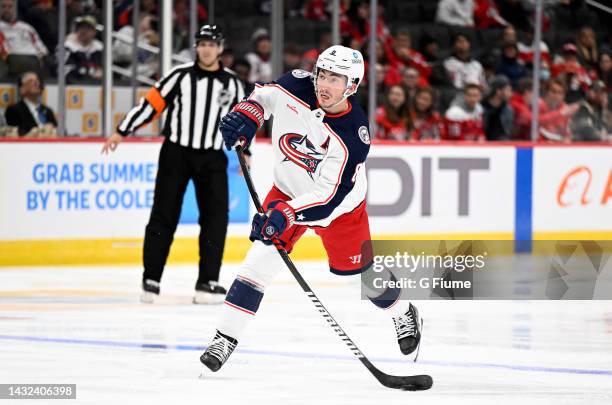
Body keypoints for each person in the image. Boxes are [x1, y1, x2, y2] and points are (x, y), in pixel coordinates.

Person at [199, 45, 423, 373]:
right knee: (259, 262)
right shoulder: (296, 85)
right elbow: (261, 96)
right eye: (323, 74)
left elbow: (327, 198)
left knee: (362, 278)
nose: (324, 84)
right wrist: (248, 116)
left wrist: (284, 214)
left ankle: (403, 312)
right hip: (288, 189)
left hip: (340, 209)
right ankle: (224, 338)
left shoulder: (353, 135)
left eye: (336, 78)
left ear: (352, 85)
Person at [101, 25, 245, 304]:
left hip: (213, 157)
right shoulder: (178, 76)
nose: (207, 49)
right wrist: (122, 130)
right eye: (202, 43)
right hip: (176, 153)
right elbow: (150, 105)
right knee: (163, 214)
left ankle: (207, 283)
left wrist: (245, 151)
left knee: (216, 220)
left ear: (220, 48)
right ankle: (151, 280)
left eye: (212, 44)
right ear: (196, 47)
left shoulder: (233, 83)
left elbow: (241, 121)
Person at [0, 0, 48, 77]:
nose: (7, 10)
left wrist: (41, 56)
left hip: (32, 61)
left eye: (10, 7)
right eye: (3, 7)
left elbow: (42, 49)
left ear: (14, 9)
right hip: (11, 61)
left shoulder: (26, 27)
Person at [4, 71, 56, 137]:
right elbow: (16, 134)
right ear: (22, 89)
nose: (36, 83)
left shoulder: (48, 111)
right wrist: (38, 132)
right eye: (30, 81)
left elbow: (58, 131)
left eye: (37, 80)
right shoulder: (13, 110)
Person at [64, 15, 104, 83]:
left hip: (96, 85)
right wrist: (89, 72)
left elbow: (102, 68)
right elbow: (66, 70)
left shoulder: (99, 47)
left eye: (88, 28)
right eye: (81, 27)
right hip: (73, 84)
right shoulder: (68, 46)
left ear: (95, 32)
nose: (84, 31)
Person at [481, 75, 514, 141]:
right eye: (507, 90)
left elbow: (507, 132)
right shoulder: (481, 107)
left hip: (501, 146)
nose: (510, 94)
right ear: (498, 91)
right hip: (482, 145)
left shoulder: (508, 110)